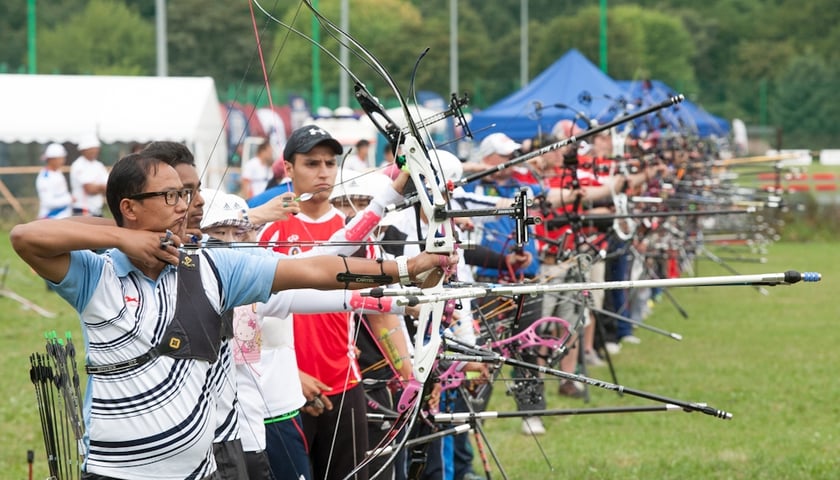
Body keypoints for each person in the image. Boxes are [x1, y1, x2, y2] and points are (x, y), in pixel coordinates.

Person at [10, 150, 454, 480]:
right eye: (171, 196)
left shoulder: (215, 265)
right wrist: (125, 241)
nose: (186, 205)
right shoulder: (95, 274)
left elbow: (314, 269)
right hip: (115, 473)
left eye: (186, 193)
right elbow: (25, 235)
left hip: (198, 471)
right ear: (129, 208)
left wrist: (404, 269)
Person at [257, 125, 390, 480]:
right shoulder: (269, 233)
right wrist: (291, 374)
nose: (323, 172)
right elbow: (251, 319)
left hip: (345, 382)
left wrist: (409, 373)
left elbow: (380, 312)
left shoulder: (356, 233)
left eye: (330, 163)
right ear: (288, 169)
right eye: (311, 163)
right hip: (286, 389)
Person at [70, 134, 108, 216]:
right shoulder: (78, 165)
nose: (94, 151)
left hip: (97, 210)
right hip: (82, 211)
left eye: (96, 148)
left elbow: (108, 188)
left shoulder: (99, 165)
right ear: (83, 150)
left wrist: (98, 187)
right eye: (91, 148)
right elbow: (90, 189)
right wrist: (101, 187)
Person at [36, 143, 73, 219]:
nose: (63, 161)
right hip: (51, 219)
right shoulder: (45, 178)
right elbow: (48, 202)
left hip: (63, 217)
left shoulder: (58, 172)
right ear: (52, 159)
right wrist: (69, 199)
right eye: (61, 158)